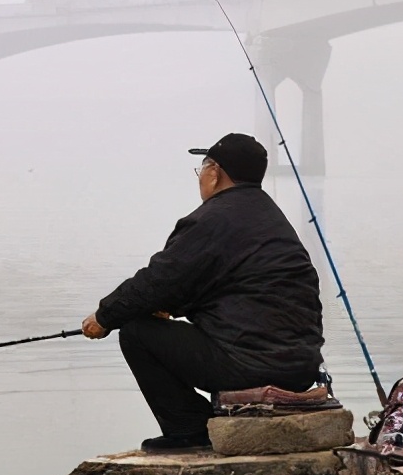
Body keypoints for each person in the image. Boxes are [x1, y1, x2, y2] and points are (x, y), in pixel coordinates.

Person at [81, 133, 324, 451]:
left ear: (214, 172)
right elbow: (222, 284)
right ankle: (206, 421)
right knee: (146, 319)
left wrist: (104, 316)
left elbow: (158, 280)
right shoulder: (271, 219)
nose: (201, 179)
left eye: (202, 170)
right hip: (300, 367)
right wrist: (167, 305)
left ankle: (189, 429)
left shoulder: (212, 219)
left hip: (249, 363)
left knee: (136, 331)